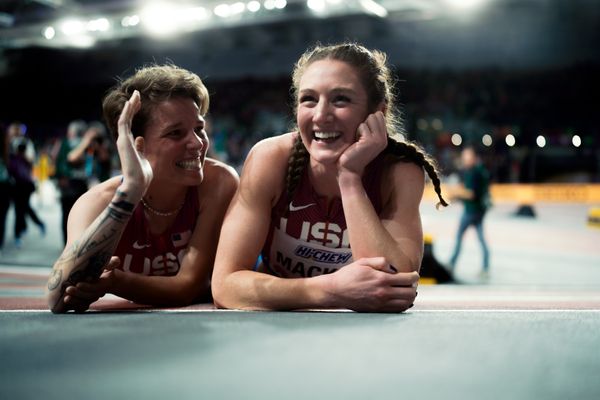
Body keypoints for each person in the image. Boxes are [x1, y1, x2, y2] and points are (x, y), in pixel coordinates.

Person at [212, 43, 447, 313]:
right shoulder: (271, 159)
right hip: (277, 326)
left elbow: (395, 287)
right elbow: (225, 286)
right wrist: (332, 290)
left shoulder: (398, 172)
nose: (321, 115)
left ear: (377, 113)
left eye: (341, 99)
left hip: (361, 341)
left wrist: (349, 178)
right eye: (309, 99)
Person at [46, 64, 239, 313]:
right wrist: (130, 193)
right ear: (136, 146)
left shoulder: (218, 182)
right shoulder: (97, 202)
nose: (197, 143)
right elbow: (57, 297)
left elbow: (188, 286)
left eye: (199, 129)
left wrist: (116, 282)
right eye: (176, 133)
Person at [448, 145, 491, 279]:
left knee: (459, 236)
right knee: (481, 238)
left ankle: (451, 263)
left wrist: (456, 195)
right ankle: (485, 267)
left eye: (467, 156)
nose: (464, 159)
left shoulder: (474, 172)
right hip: (479, 211)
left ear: (473, 157)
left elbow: (471, 194)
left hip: (471, 211)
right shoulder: (479, 170)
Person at [54, 119, 90, 244]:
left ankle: (76, 243)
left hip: (81, 184)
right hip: (70, 184)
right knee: (67, 215)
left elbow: (90, 161)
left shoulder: (87, 144)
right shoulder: (67, 144)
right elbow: (71, 158)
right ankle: (67, 244)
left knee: (80, 216)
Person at [8, 142, 46, 247]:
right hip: (24, 188)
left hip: (21, 187)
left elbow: (13, 172)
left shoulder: (16, 159)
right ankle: (35, 225)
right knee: (24, 209)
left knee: (21, 210)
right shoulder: (23, 159)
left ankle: (19, 234)